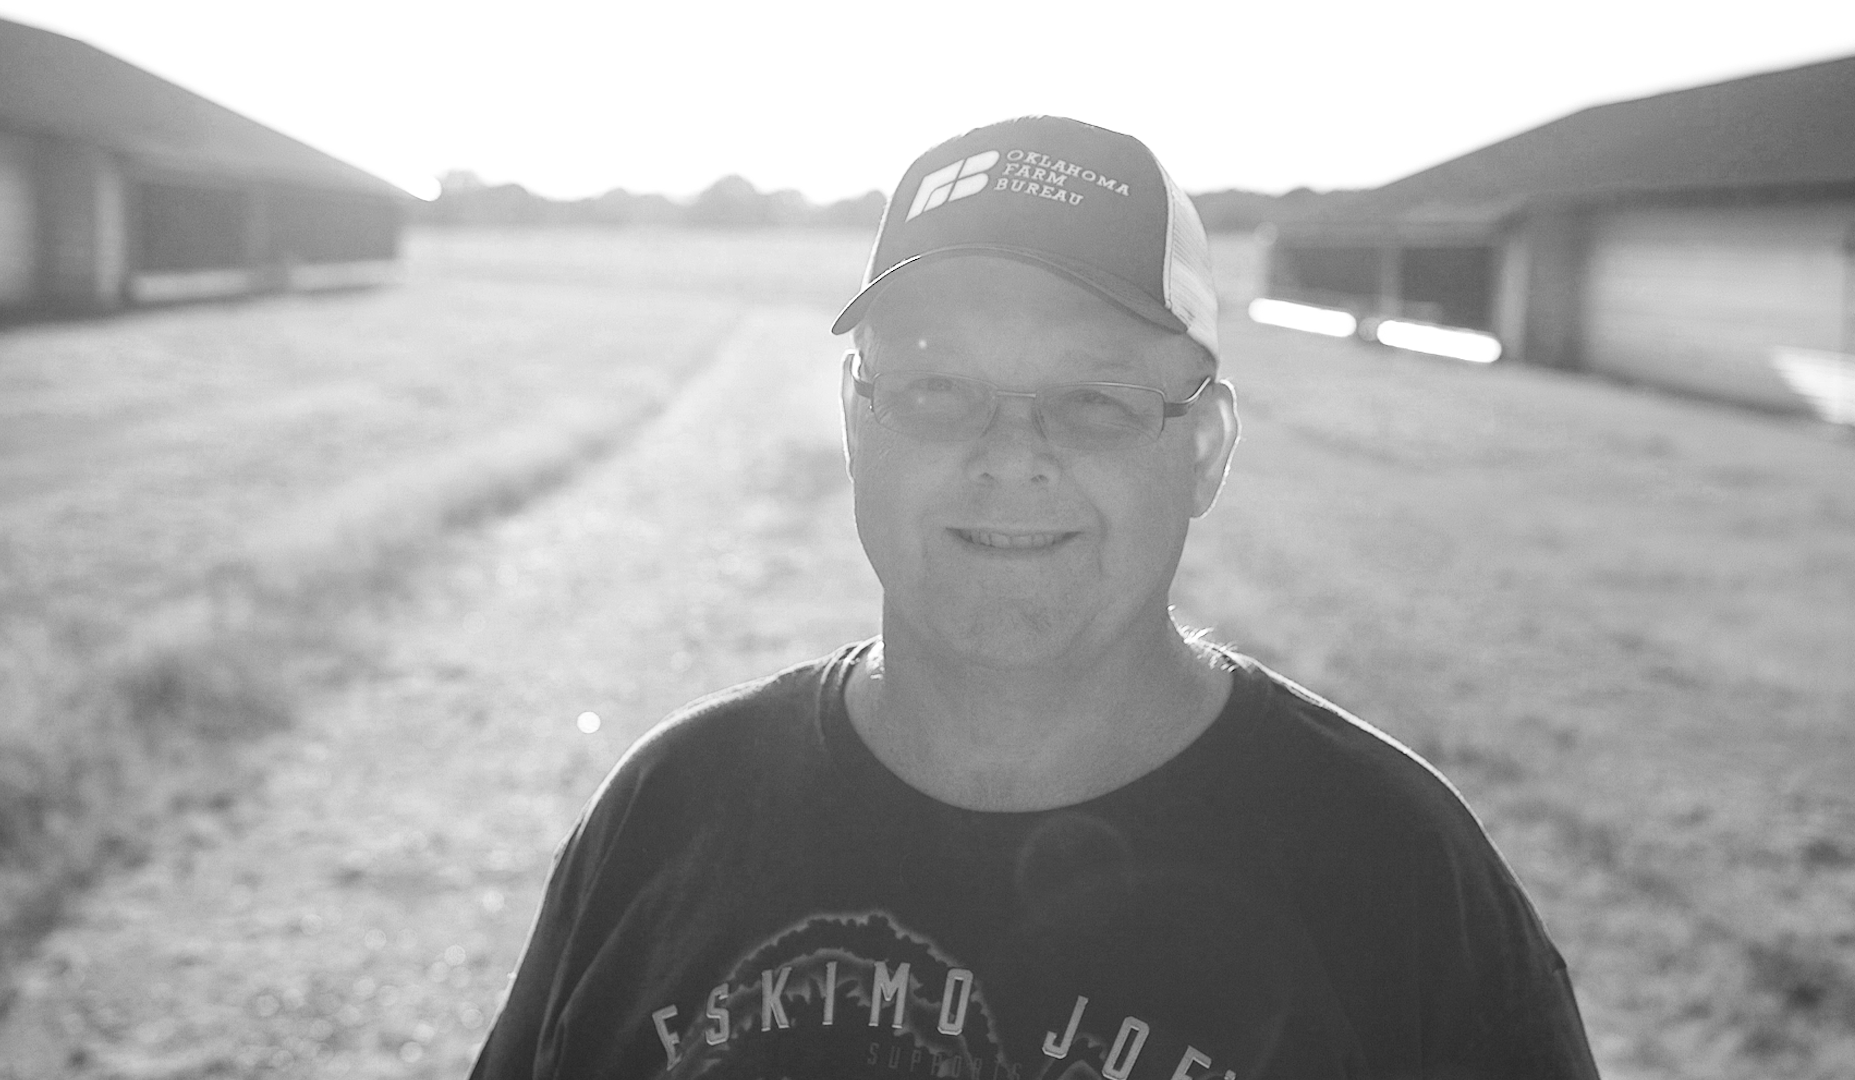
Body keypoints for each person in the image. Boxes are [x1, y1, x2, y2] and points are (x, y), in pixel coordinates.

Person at [469, 115, 1600, 1080]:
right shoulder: (668, 814)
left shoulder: (1395, 877)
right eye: (935, 387)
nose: (1011, 457)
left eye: (1095, 400)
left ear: (1204, 447)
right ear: (857, 423)